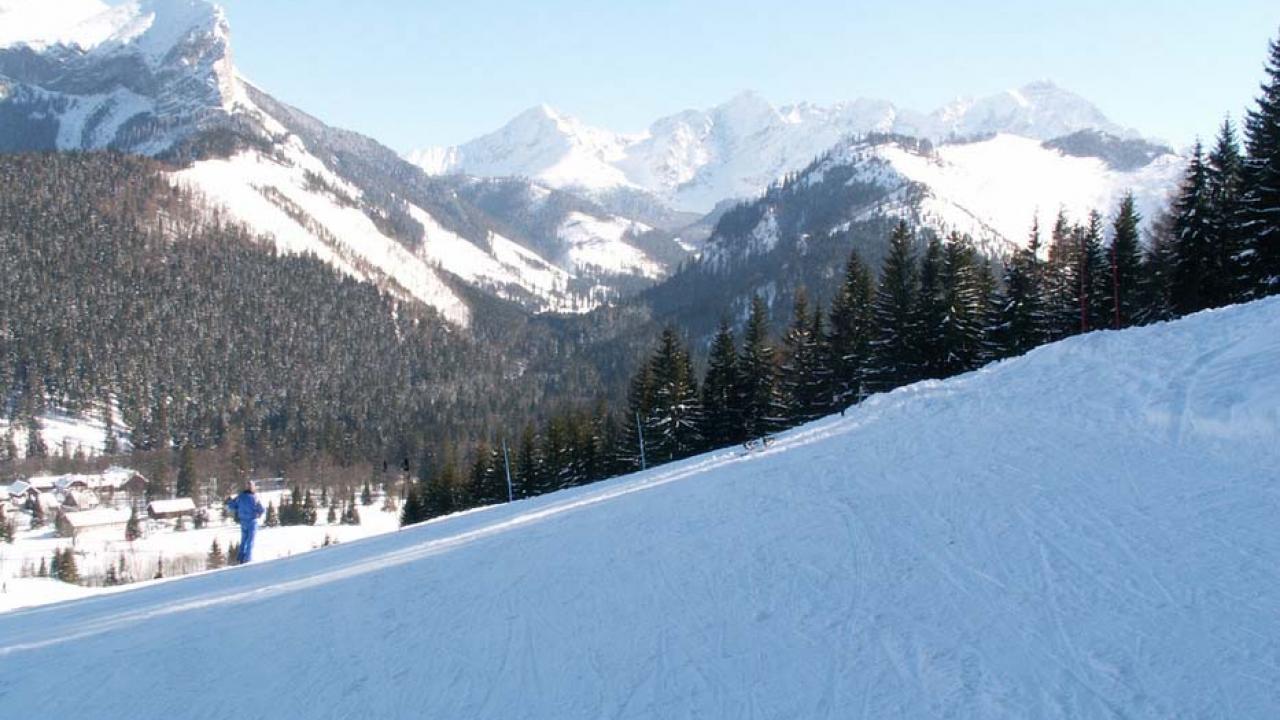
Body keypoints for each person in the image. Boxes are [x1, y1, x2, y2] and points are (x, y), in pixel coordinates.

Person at [225, 481, 265, 564]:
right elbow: (261, 509)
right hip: (252, 521)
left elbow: (232, 505)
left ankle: (240, 557)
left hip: (243, 522)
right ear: (253, 487)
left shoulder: (240, 497)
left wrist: (229, 500)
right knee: (250, 540)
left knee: (243, 540)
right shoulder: (254, 497)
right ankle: (248, 558)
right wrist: (258, 514)